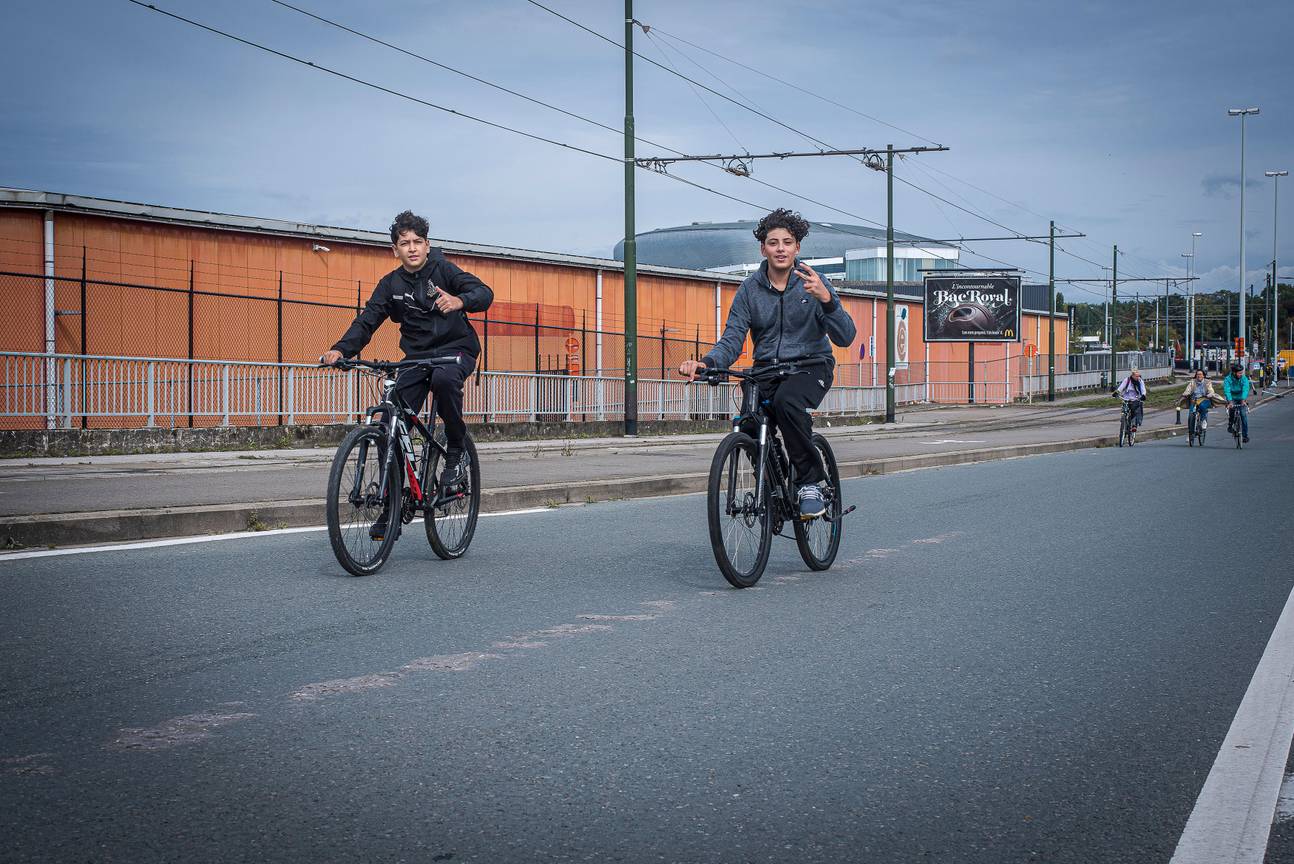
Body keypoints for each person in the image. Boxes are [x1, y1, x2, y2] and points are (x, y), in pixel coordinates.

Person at [321, 210, 494, 538]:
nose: (412, 248)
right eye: (404, 243)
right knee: (389, 421)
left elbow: (484, 293)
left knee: (444, 381)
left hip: (455, 350)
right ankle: (393, 507)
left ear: (427, 245)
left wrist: (460, 300)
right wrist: (341, 349)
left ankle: (455, 448)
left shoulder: (443, 270)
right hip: (416, 358)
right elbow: (368, 320)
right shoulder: (390, 285)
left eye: (417, 242)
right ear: (394, 250)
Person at [678, 208, 857, 518]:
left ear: (797, 247)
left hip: (810, 366)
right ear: (763, 248)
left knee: (788, 403)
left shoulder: (813, 282)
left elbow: (845, 337)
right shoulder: (749, 289)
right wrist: (707, 363)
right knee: (748, 422)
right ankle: (773, 485)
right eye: (773, 243)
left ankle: (810, 482)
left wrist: (827, 300)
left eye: (787, 242)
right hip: (766, 370)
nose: (780, 249)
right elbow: (733, 338)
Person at [1222, 361, 1251, 443]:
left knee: (1243, 415)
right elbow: (1227, 390)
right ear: (1234, 373)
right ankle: (1230, 425)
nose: (1241, 374)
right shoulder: (1228, 379)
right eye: (1239, 373)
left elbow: (1245, 389)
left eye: (1241, 373)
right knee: (1232, 410)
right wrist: (1230, 401)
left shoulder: (1244, 379)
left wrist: (1243, 399)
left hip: (1241, 397)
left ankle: (1245, 436)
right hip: (1232, 398)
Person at [1112, 368, 1146, 433]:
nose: (1137, 377)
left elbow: (1143, 389)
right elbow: (1121, 387)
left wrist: (1143, 395)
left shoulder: (1140, 381)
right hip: (1126, 398)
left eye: (1138, 376)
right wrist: (1117, 392)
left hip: (1136, 398)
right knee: (1125, 409)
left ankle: (1133, 425)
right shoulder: (1127, 380)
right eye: (1136, 376)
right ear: (1132, 375)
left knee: (1134, 410)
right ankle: (1124, 420)